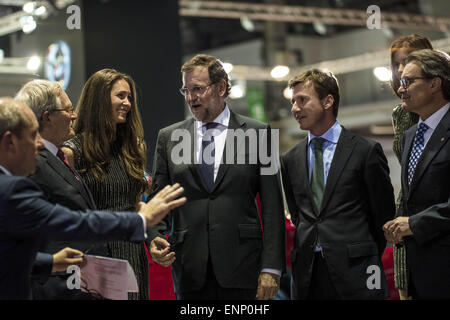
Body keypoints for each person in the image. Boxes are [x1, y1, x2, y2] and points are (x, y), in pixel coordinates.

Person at [0, 97, 186, 299]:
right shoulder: (10, 191)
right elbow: (74, 222)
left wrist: (50, 263)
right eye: (33, 134)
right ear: (10, 142)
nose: (39, 143)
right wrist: (140, 219)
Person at [148, 54, 285, 300]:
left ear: (221, 87)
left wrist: (271, 268)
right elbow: (158, 199)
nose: (191, 98)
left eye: (198, 89)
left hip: (244, 269)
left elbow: (273, 209)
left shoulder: (259, 134)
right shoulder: (168, 138)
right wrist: (155, 235)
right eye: (185, 90)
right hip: (190, 271)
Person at [280, 69, 396, 299]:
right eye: (293, 101)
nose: (294, 108)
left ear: (328, 101)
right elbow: (298, 215)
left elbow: (383, 214)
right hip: (307, 274)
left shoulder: (365, 151)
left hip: (359, 271)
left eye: (302, 100)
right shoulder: (290, 159)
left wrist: (360, 252)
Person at [61, 69, 150, 300]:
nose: (127, 103)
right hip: (95, 258)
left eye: (129, 97)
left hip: (133, 253)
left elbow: (137, 204)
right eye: (120, 96)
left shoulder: (134, 149)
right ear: (99, 99)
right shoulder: (72, 152)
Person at [15, 79, 105, 299]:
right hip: (56, 289)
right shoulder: (33, 163)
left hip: (80, 285)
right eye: (68, 110)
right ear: (47, 117)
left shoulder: (59, 158)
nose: (74, 116)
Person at [383, 49, 450, 299]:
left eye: (408, 81)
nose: (401, 89)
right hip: (418, 271)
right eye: (401, 82)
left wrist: (413, 223)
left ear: (434, 83)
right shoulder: (411, 134)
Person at [389, 34, 433, 300]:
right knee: (406, 287)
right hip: (406, 209)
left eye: (408, 61)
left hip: (437, 209)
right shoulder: (401, 113)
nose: (401, 69)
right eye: (396, 63)